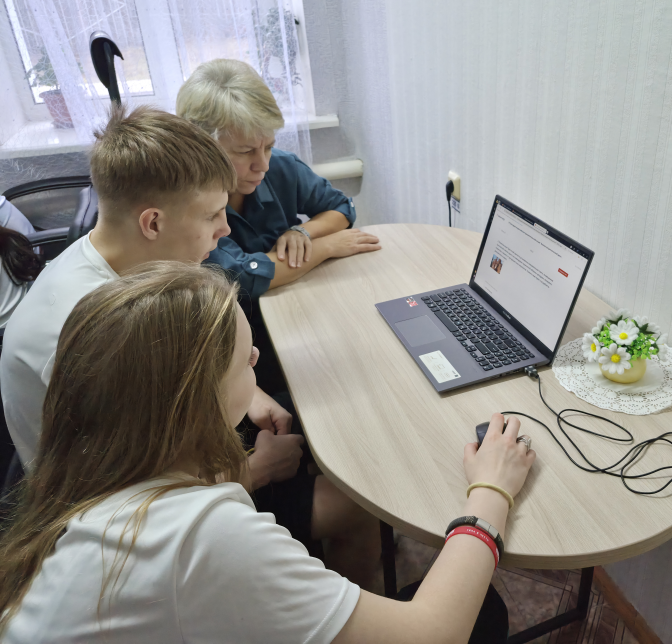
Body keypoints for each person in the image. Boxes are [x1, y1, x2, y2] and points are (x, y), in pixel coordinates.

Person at [0, 262, 536, 643]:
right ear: (195, 401)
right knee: (481, 612)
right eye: (244, 360)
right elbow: (434, 633)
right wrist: (491, 491)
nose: (257, 356)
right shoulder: (206, 538)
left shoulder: (88, 471)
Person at [0, 106, 378, 583]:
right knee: (357, 502)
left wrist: (253, 395)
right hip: (115, 525)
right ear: (153, 223)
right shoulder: (97, 335)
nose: (225, 231)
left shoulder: (120, 260)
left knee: (321, 409)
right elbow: (140, 500)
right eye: (212, 216)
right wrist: (256, 470)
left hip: (141, 459)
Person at [177, 59, 382, 393]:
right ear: (202, 148)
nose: (262, 164)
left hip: (300, 317)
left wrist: (302, 231)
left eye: (269, 146)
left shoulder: (281, 167)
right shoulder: (186, 203)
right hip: (238, 351)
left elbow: (341, 208)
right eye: (245, 151)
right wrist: (325, 246)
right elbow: (242, 277)